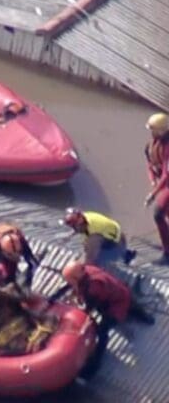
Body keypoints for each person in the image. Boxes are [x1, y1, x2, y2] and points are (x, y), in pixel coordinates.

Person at [58, 261, 154, 379]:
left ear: (76, 277)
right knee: (131, 302)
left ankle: (94, 366)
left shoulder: (94, 287)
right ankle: (145, 316)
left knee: (102, 332)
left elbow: (89, 308)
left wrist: (81, 318)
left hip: (116, 304)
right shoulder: (87, 269)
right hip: (120, 290)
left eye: (69, 280)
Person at [60, 208, 136, 265]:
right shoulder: (85, 217)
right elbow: (79, 228)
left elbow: (89, 260)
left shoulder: (94, 236)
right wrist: (70, 235)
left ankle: (118, 255)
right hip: (117, 235)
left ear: (79, 224)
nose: (72, 229)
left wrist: (77, 264)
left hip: (113, 245)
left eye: (73, 226)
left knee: (91, 252)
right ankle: (126, 253)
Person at [144, 112, 169, 263]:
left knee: (158, 213)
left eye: (153, 129)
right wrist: (153, 180)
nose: (151, 132)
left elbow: (167, 174)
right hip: (163, 183)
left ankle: (167, 251)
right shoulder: (151, 144)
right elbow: (150, 164)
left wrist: (153, 193)